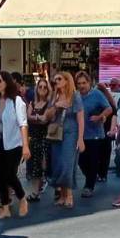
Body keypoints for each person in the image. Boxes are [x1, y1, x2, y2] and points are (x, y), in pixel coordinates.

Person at [0, 71, 30, 219]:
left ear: (7, 83)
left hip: (13, 143)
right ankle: (5, 207)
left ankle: (22, 198)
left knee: (9, 174)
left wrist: (25, 145)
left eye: (0, 81)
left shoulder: (16, 101)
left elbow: (23, 124)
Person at [49, 71, 85, 208]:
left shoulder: (75, 96)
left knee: (67, 164)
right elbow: (49, 116)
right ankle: (62, 195)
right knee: (58, 165)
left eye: (59, 79)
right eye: (55, 79)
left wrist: (80, 139)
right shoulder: (55, 96)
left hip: (71, 133)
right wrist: (56, 106)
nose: (56, 81)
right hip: (56, 134)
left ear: (66, 81)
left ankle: (69, 195)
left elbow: (80, 118)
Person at [76, 72, 111, 198]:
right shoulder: (75, 96)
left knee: (92, 160)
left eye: (84, 83)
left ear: (89, 83)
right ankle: (91, 176)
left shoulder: (97, 94)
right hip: (80, 135)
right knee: (81, 161)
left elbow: (109, 108)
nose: (81, 86)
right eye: (79, 83)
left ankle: (89, 186)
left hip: (95, 134)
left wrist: (100, 116)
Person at [25, 76, 55, 201]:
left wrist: (35, 117)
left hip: (44, 138)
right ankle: (35, 191)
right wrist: (38, 117)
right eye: (40, 87)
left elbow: (45, 120)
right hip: (33, 138)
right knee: (32, 166)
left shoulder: (49, 104)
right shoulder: (32, 103)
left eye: (44, 87)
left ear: (48, 90)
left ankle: (37, 191)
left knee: (41, 166)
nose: (42, 89)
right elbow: (28, 117)